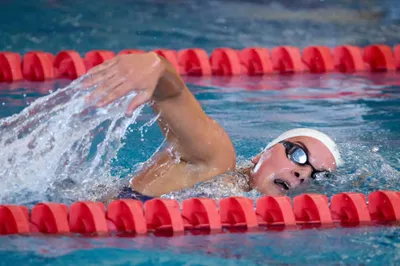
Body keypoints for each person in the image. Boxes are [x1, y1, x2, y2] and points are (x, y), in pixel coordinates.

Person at [84, 52, 343, 201]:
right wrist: (158, 67)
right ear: (260, 155)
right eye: (298, 155)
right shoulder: (216, 161)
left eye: (316, 175)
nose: (303, 174)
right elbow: (171, 95)